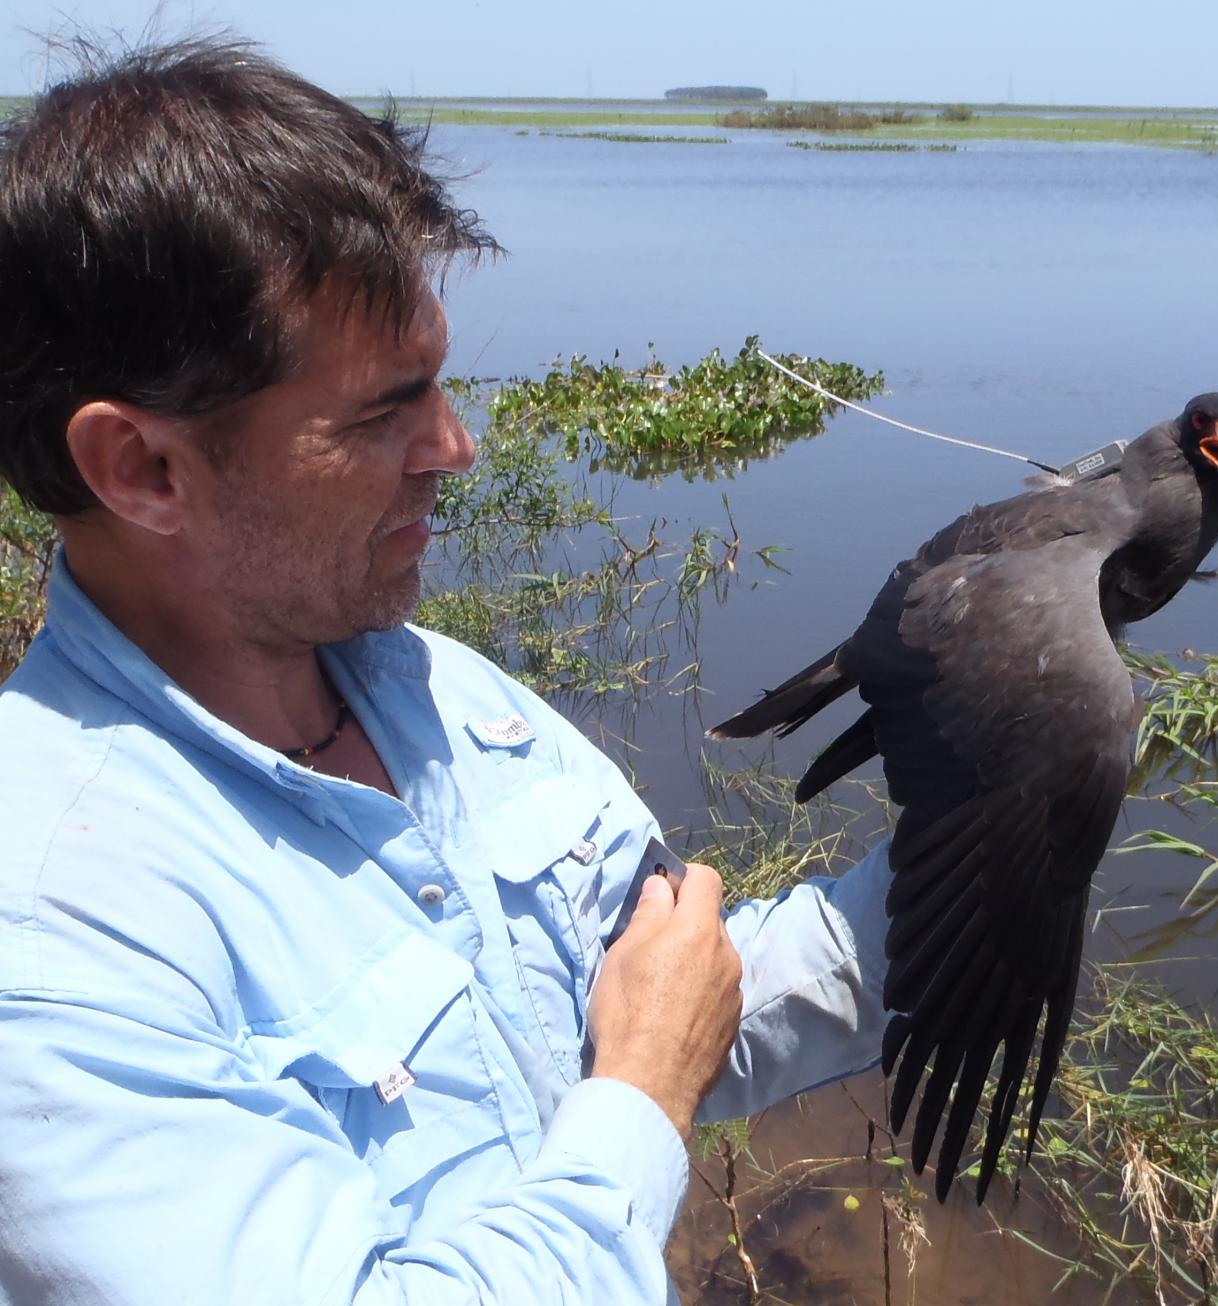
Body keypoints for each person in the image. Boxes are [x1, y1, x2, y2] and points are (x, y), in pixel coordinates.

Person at [0, 39, 892, 1304]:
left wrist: (1002, 827)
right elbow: (643, 1059)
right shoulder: (55, 935)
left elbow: (668, 1002)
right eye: (383, 410)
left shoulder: (435, 689)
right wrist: (637, 1097)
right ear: (143, 470)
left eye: (441, 383)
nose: (455, 446)